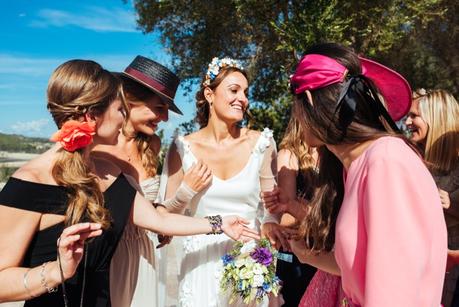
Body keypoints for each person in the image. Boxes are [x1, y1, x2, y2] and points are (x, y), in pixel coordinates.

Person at [0, 59, 259, 307]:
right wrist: (57, 270)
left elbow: (160, 221)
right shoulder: (29, 183)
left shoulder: (110, 174)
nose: (123, 119)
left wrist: (220, 223)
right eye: (120, 109)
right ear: (92, 116)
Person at [272, 43, 447, 306]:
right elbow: (357, 267)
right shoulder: (358, 167)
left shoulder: (385, 162)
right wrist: (305, 254)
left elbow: (394, 295)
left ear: (308, 100)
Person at [159, 57, 284, 306]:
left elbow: (272, 208)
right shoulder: (183, 148)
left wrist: (270, 222)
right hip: (199, 266)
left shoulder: (262, 144)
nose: (243, 99)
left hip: (248, 265)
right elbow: (164, 222)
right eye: (234, 90)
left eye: (246, 92)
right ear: (209, 94)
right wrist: (186, 191)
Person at [93, 56, 212, 307]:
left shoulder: (152, 146)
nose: (165, 118)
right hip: (109, 257)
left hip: (146, 256)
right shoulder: (97, 150)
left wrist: (185, 191)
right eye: (159, 108)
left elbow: (156, 214)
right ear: (129, 100)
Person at [405, 89, 459, 307]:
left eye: (414, 116)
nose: (407, 122)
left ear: (436, 118)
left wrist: (451, 205)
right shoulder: (410, 159)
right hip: (421, 272)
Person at [269, 107, 318, 306]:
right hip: (298, 254)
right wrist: (312, 212)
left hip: (327, 250)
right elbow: (286, 217)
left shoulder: (332, 153)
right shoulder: (289, 154)